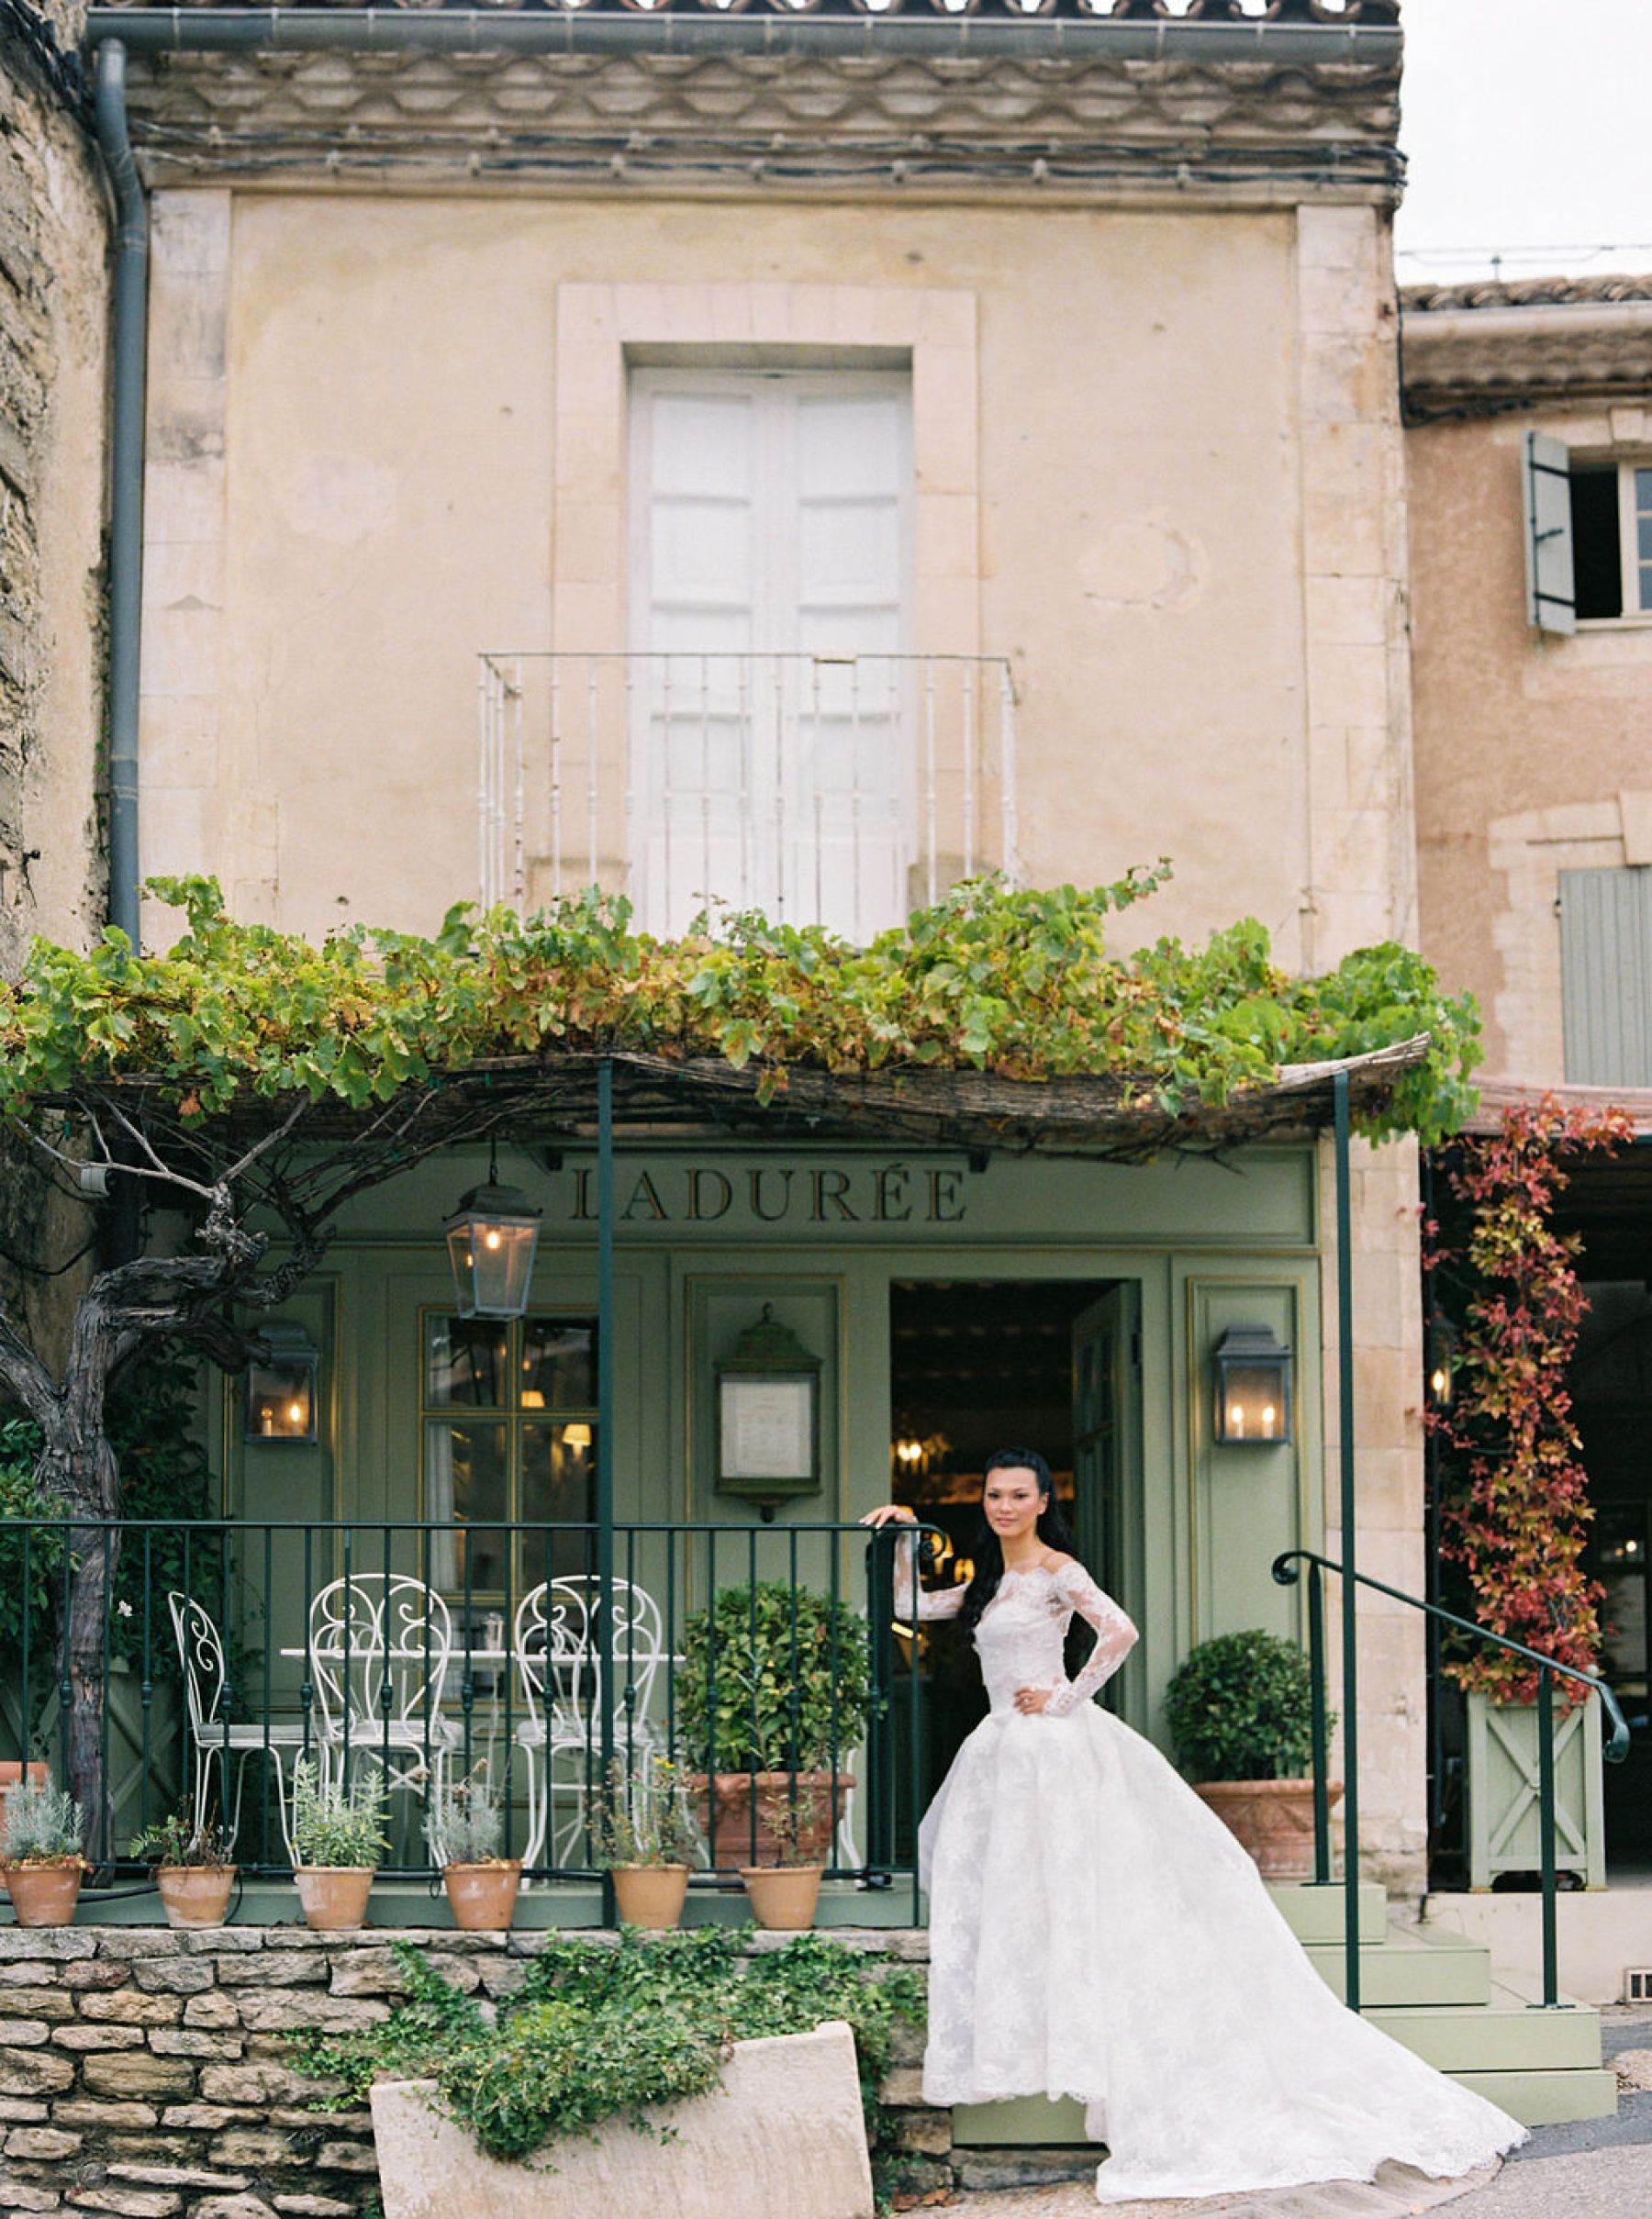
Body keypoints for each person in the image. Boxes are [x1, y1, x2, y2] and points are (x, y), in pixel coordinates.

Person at [861, 1449, 1525, 2206]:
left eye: (1018, 1495)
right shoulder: (989, 1580)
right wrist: (906, 1532)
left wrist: (1066, 1698)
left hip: (1051, 1745)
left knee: (1081, 1886)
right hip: (1000, 1750)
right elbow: (911, 1607)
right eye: (993, 1495)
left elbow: (1120, 1631)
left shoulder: (1057, 1571)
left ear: (1044, 1501)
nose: (1004, 1506)